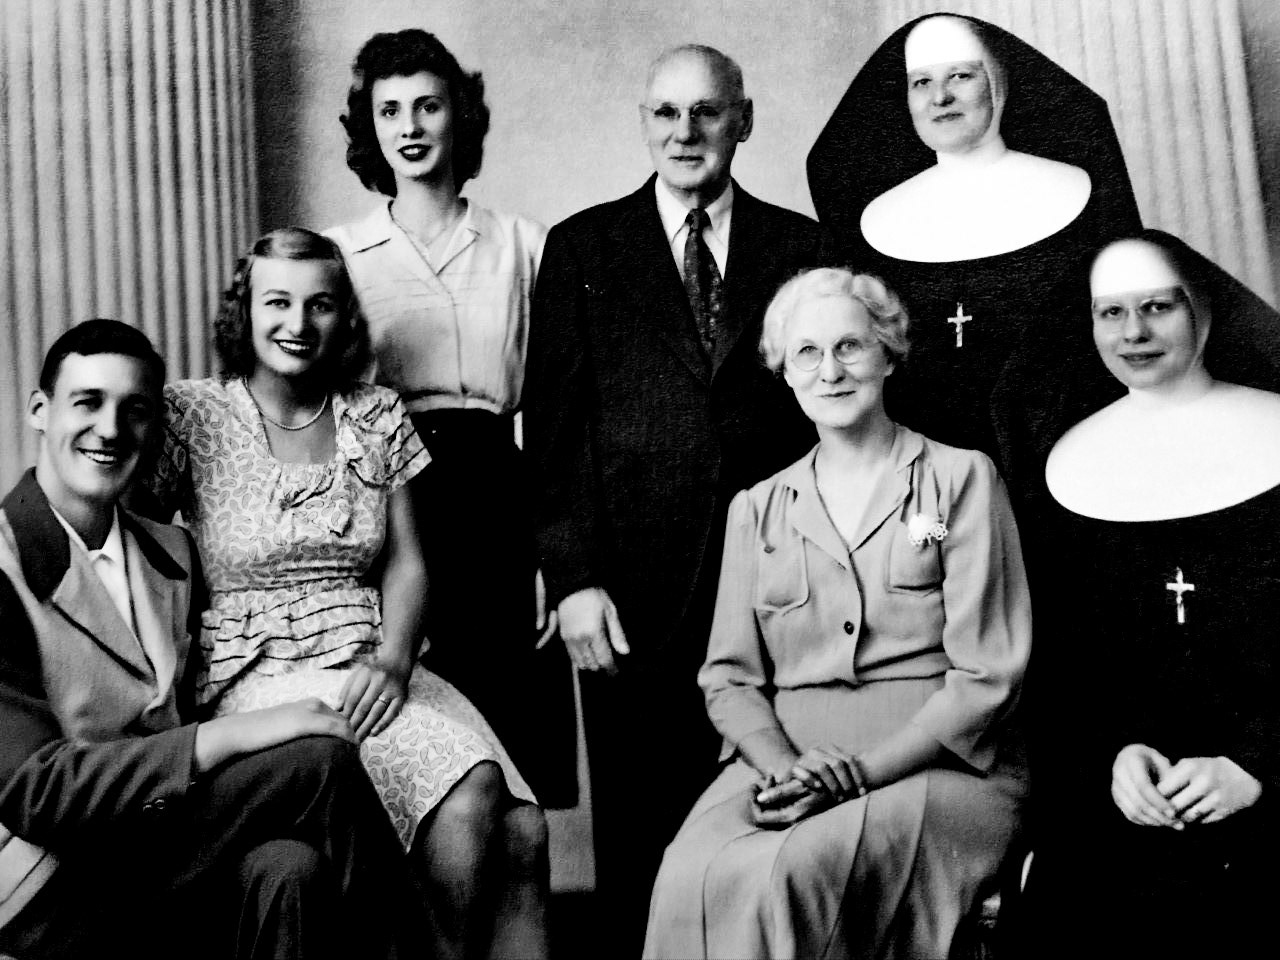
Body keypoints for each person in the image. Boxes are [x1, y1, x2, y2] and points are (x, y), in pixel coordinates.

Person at [143, 229, 548, 960]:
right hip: (259, 673)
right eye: (277, 302)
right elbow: (134, 538)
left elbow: (408, 562)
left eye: (320, 304)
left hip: (372, 657)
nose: (298, 323)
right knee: (472, 793)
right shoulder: (193, 414)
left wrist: (394, 660)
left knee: (524, 832)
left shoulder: (376, 411)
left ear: (344, 316)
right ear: (244, 311)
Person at [524, 43, 833, 946]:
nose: (685, 131)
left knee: (774, 820)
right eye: (666, 112)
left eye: (706, 111)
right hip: (631, 594)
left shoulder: (804, 247)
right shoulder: (584, 246)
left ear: (744, 120)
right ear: (644, 123)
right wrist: (574, 579)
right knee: (642, 844)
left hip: (779, 583)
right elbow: (552, 432)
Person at [643, 268, 1031, 959]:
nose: (831, 371)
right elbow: (728, 679)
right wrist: (787, 769)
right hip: (787, 764)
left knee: (792, 873)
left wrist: (856, 776)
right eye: (807, 353)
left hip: (937, 762)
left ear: (889, 354)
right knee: (686, 873)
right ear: (784, 373)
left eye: (850, 346)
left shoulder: (958, 479)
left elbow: (987, 676)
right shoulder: (757, 508)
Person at [0, 319, 413, 960]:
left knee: (289, 867)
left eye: (135, 410)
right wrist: (234, 735)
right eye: (87, 402)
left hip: (152, 844)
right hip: (47, 879)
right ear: (39, 411)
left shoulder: (171, 553)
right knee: (319, 764)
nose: (110, 429)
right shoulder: (3, 563)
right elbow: (33, 790)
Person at [324, 28, 576, 807]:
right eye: (389, 110)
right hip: (391, 503)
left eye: (427, 106)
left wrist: (557, 555)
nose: (409, 127)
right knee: (407, 753)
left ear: (458, 115)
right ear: (368, 126)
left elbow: (562, 409)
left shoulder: (524, 245)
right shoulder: (339, 254)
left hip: (501, 498)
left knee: (513, 763)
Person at [1022, 231, 1280, 957]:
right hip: (1139, 793)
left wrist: (1255, 766)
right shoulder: (1067, 466)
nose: (1133, 332)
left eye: (1157, 307)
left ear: (1202, 308)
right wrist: (1116, 755)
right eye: (1111, 312)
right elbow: (1071, 664)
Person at [807, 13, 1141, 484]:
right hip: (923, 472)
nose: (940, 97)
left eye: (960, 76)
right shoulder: (872, 224)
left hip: (1065, 456)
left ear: (997, 85)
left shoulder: (1074, 193)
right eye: (921, 82)